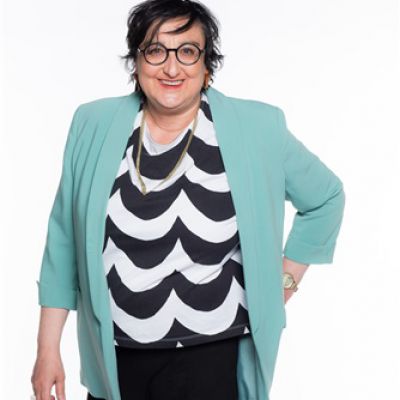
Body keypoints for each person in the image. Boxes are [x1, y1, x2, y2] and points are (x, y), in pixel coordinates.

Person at [30, 0, 346, 399]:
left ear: (207, 64)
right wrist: (47, 350)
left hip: (213, 359)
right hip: (116, 360)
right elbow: (64, 242)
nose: (172, 67)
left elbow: (325, 198)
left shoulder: (258, 128)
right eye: (156, 50)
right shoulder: (92, 124)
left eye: (188, 51)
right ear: (136, 61)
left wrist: (281, 285)